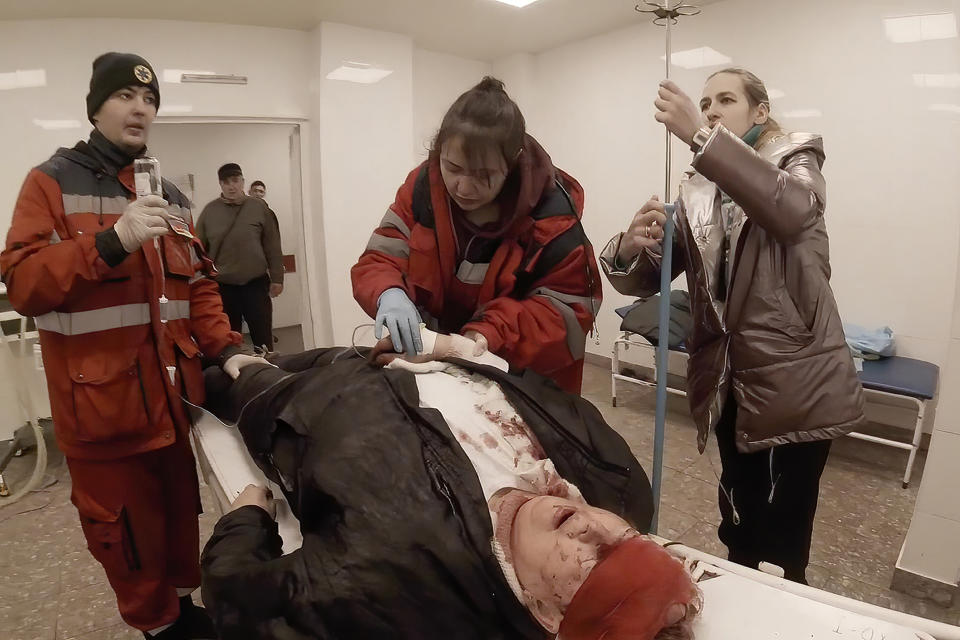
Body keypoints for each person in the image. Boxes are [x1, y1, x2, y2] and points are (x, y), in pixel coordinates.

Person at [0, 52, 266, 639]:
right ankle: (158, 627)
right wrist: (110, 242)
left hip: (171, 402)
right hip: (101, 411)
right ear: (96, 107)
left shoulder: (166, 191)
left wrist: (227, 350)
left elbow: (197, 286)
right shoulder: (51, 181)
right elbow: (22, 284)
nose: (139, 107)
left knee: (175, 521)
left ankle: (180, 609)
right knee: (125, 532)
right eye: (124, 95)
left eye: (149, 100)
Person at [198, 342, 701, 639]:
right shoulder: (615, 479)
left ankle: (227, 359)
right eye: (625, 538)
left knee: (229, 369)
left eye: (595, 563)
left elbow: (237, 598)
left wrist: (247, 518)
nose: (592, 525)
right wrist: (462, 352)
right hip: (400, 360)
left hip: (301, 404)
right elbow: (542, 391)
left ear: (548, 615)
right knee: (291, 352)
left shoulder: (400, 582)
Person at [600, 68, 865, 583]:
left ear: (760, 112)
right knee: (738, 508)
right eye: (705, 104)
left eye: (726, 100)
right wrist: (631, 245)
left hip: (796, 376)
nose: (713, 110)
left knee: (787, 525)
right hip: (728, 376)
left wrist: (701, 138)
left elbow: (790, 212)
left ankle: (786, 599)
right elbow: (647, 278)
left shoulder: (797, 159)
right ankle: (741, 580)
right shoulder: (699, 187)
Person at [351, 76, 602, 393]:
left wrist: (481, 338)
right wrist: (388, 291)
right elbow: (380, 257)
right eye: (453, 167)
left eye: (484, 175)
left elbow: (568, 316)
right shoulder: (422, 189)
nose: (464, 188)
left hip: (520, 377)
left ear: (511, 165)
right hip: (439, 366)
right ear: (438, 151)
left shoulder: (552, 218)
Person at [197, 164, 283, 351]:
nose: (231, 186)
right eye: (226, 182)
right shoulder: (209, 212)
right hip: (223, 287)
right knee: (228, 342)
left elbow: (272, 244)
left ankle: (268, 375)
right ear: (220, 184)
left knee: (263, 341)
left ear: (242, 181)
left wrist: (277, 278)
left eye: (235, 181)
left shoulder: (259, 207)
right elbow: (198, 251)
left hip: (256, 284)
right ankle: (235, 378)